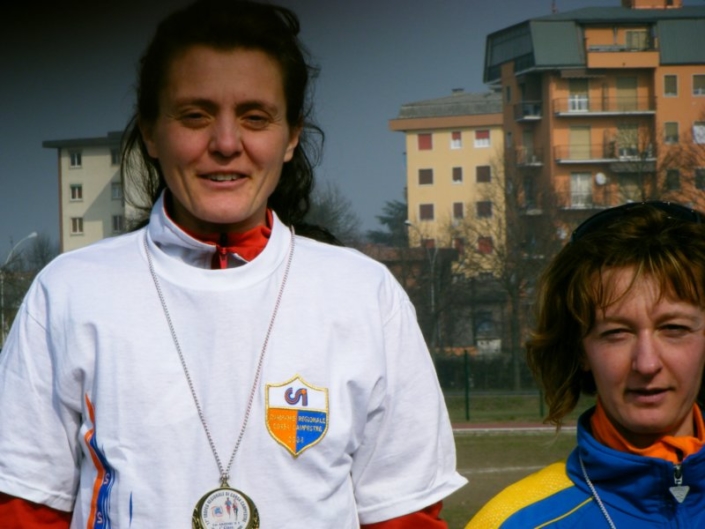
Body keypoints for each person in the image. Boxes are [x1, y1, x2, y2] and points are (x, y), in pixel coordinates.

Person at [0, 1, 466, 527]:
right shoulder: (68, 293)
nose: (225, 143)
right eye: (195, 116)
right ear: (150, 131)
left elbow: (404, 517)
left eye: (255, 118)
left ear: (291, 136)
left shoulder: (365, 296)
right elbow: (22, 511)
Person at [466, 201, 705, 528]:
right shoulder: (512, 523)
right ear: (580, 350)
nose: (647, 363)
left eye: (674, 328)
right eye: (616, 333)